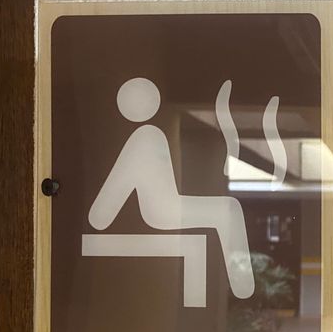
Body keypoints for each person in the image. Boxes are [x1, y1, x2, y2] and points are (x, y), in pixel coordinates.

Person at [88, 77, 258, 299]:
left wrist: (102, 216)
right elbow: (108, 203)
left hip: (164, 207)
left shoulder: (149, 136)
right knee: (228, 210)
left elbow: (107, 206)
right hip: (162, 211)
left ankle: (243, 286)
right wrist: (101, 216)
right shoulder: (147, 137)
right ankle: (243, 286)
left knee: (228, 209)